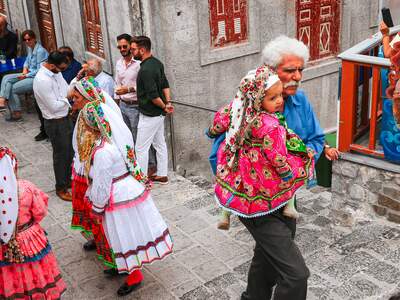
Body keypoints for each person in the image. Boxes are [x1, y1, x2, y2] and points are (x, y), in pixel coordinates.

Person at [71, 90, 173, 296]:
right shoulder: (107, 143)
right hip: (122, 193)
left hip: (117, 196)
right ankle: (122, 266)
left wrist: (97, 207)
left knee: (125, 236)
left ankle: (135, 276)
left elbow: (101, 184)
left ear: (91, 125)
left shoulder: (103, 152)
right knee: (120, 236)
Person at [209, 66, 314, 230]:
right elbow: (275, 154)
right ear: (257, 99)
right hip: (259, 166)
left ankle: (224, 214)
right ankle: (289, 205)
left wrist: (211, 131)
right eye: (273, 98)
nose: (279, 100)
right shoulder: (270, 125)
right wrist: (285, 171)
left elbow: (219, 123)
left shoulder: (236, 108)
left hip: (234, 160)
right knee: (298, 165)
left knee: (230, 185)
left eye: (280, 95)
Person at [0, 147, 66, 299]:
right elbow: (40, 211)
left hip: (3, 243)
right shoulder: (26, 187)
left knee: (10, 272)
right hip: (28, 237)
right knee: (35, 270)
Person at [69, 76, 123, 256]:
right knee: (87, 212)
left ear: (87, 98)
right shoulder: (84, 114)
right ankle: (96, 238)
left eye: (76, 97)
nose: (73, 100)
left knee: (100, 217)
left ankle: (112, 252)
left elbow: (105, 162)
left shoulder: (96, 120)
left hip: (93, 175)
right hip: (83, 170)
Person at [132, 35, 174, 184]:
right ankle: (162, 174)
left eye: (133, 49)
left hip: (150, 115)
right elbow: (165, 84)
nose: (132, 52)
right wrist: (167, 103)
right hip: (158, 114)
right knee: (159, 144)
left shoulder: (145, 70)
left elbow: (153, 95)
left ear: (142, 50)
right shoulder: (157, 63)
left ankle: (141, 180)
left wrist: (164, 106)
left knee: (140, 148)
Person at [33, 51, 73, 201]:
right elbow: (54, 106)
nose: (62, 71)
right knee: (61, 156)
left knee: (70, 152)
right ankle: (61, 187)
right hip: (55, 123)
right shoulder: (42, 80)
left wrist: (65, 97)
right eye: (60, 68)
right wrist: (66, 98)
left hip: (65, 118)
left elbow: (66, 88)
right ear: (51, 65)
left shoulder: (56, 72)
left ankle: (68, 180)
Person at [0, 29, 48, 121]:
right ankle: (2, 99)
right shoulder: (31, 48)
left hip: (36, 78)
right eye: (25, 40)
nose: (27, 42)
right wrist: (25, 69)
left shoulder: (40, 51)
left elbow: (40, 70)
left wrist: (25, 75)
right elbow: (27, 60)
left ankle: (16, 113)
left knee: (12, 88)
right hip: (28, 73)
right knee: (6, 77)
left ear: (34, 38)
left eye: (29, 39)